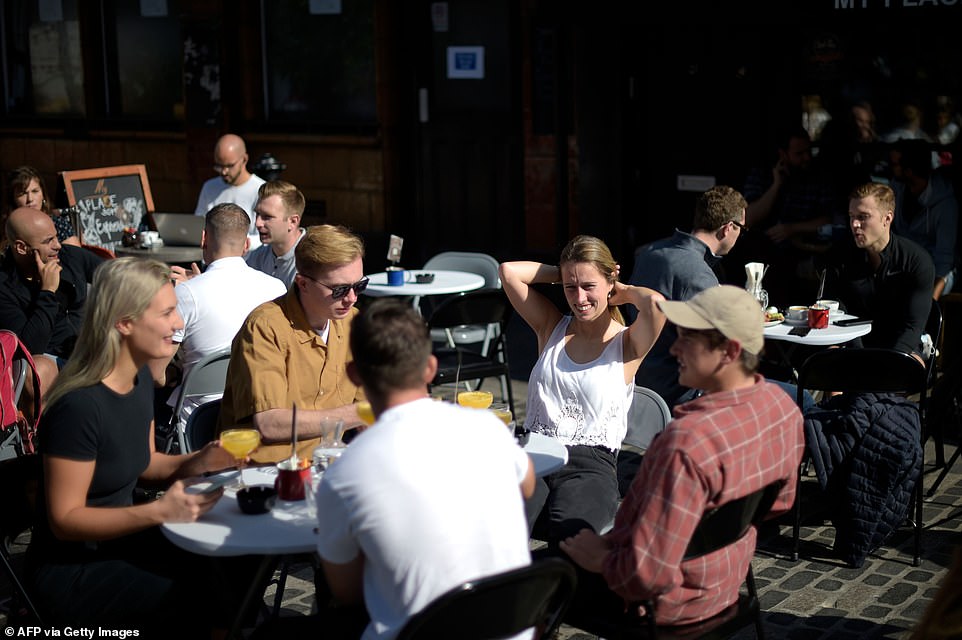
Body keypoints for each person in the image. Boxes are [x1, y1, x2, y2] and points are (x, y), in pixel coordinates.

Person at [558, 285, 804, 627]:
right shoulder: (784, 410)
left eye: (688, 338)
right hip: (727, 582)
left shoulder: (685, 443)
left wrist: (602, 559)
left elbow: (645, 576)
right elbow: (780, 503)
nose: (674, 348)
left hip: (664, 605)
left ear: (729, 352)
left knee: (535, 584)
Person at [24, 257, 244, 635]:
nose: (179, 324)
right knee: (196, 595)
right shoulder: (79, 407)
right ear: (124, 323)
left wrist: (200, 459)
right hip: (73, 572)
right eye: (167, 312)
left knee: (228, 561)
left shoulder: (139, 377)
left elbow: (145, 464)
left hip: (123, 543)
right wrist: (159, 511)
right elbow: (65, 520)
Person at [313, 299, 535, 638]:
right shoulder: (488, 428)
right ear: (430, 368)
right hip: (512, 629)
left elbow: (347, 592)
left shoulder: (344, 475)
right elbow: (527, 487)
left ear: (354, 375)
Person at [500, 235, 666, 549]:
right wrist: (564, 272)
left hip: (589, 463)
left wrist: (624, 290)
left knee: (572, 544)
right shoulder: (551, 326)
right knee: (496, 533)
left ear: (609, 282)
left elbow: (656, 305)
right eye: (570, 288)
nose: (579, 298)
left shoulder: (627, 343)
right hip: (535, 451)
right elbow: (509, 271)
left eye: (589, 286)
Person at [219, 224, 368, 462]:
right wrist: (358, 414)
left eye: (360, 286)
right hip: (265, 471)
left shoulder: (353, 322)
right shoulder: (265, 327)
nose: (352, 298)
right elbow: (269, 424)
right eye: (340, 289)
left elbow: (366, 415)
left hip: (330, 464)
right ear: (303, 283)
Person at [166, 203, 287, 422]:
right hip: (258, 409)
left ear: (204, 239)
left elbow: (158, 369)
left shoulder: (186, 292)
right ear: (247, 245)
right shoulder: (277, 288)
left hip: (199, 422)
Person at [627, 185, 747, 407]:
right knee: (800, 398)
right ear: (728, 228)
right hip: (681, 391)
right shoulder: (697, 272)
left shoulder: (650, 253)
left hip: (640, 382)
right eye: (742, 229)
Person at [823, 181, 935, 363]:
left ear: (887, 218)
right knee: (829, 361)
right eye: (851, 216)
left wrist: (887, 364)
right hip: (853, 343)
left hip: (901, 345)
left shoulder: (916, 260)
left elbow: (913, 326)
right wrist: (860, 356)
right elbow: (837, 316)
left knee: (912, 366)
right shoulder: (839, 257)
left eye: (863, 216)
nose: (855, 224)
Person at [0, 206, 104, 396]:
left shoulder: (68, 257)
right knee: (36, 371)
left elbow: (117, 275)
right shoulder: (5, 287)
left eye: (56, 237)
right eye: (49, 241)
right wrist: (48, 292)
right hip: (50, 364)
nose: (58, 245)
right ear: (22, 248)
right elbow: (29, 349)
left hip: (87, 350)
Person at [739, 126, 843, 307]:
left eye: (809, 151)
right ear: (783, 154)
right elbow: (748, 217)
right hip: (763, 255)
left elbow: (829, 218)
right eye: (799, 153)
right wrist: (776, 185)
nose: (806, 158)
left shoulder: (819, 176)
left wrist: (791, 229)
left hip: (805, 253)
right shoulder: (762, 173)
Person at [889, 138, 959, 298]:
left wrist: (930, 303)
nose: (890, 169)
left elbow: (944, 262)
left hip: (931, 274)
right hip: (902, 268)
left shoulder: (945, 204)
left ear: (909, 170)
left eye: (895, 165)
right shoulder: (897, 189)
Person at [194, 133, 265, 244]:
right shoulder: (209, 187)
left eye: (229, 166)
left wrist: (233, 243)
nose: (224, 171)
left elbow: (263, 236)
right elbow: (197, 226)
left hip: (247, 258)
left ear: (244, 159)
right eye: (219, 165)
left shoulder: (261, 190)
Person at [243, 180, 306, 287]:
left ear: (293, 221)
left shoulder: (312, 262)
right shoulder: (256, 258)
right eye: (257, 214)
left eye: (267, 217)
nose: (257, 223)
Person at [4, 165, 80, 249]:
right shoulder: (7, 229)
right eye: (23, 194)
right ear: (13, 199)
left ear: (43, 194)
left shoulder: (58, 225)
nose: (30, 199)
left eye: (35, 191)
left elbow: (76, 258)